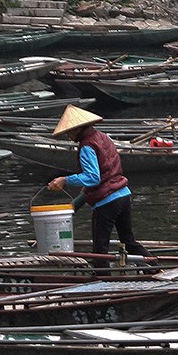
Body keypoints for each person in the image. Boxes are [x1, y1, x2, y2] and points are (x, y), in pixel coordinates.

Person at [46, 105, 150, 259]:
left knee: (100, 250)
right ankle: (154, 266)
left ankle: (102, 279)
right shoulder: (103, 137)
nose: (68, 136)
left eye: (69, 132)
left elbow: (93, 177)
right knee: (128, 241)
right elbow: (105, 170)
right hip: (123, 195)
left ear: (77, 129)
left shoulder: (87, 146)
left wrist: (65, 180)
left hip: (107, 201)